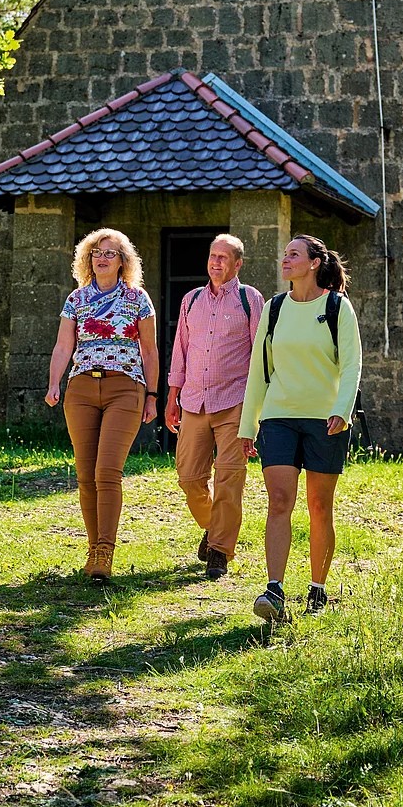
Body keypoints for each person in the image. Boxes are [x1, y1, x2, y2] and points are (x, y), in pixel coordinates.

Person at [238, 233, 362, 624]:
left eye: (294, 254)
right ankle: (274, 590)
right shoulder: (274, 309)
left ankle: (318, 589)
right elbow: (259, 370)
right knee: (278, 501)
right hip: (278, 416)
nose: (285, 260)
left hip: (326, 420)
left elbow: (352, 365)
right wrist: (248, 425)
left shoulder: (337, 306)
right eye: (285, 254)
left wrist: (343, 410)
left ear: (313, 263)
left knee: (319, 506)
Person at [46, 227, 159, 583]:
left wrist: (153, 395)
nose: (102, 258)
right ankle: (93, 547)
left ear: (123, 261)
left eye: (110, 253)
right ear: (87, 259)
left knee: (107, 472)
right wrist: (54, 383)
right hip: (81, 388)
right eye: (97, 252)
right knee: (85, 474)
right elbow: (64, 346)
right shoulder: (76, 299)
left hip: (125, 389)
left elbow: (150, 350)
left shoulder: (138, 299)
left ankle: (106, 551)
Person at [166, 232, 265, 580]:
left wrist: (257, 410)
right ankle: (215, 527)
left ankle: (220, 550)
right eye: (213, 256)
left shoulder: (249, 299)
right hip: (194, 400)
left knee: (229, 479)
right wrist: (172, 396)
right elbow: (181, 350)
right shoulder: (191, 300)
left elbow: (261, 357)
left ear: (237, 264)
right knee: (189, 477)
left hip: (235, 402)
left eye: (224, 257)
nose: (216, 262)